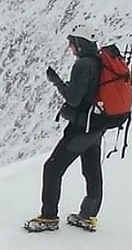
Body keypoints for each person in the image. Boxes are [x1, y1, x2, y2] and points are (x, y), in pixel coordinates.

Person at [24, 33, 103, 233]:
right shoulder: (98, 61)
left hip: (81, 128)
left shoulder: (82, 65)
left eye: (72, 43)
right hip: (96, 124)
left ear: (79, 43)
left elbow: (74, 99)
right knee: (91, 170)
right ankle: (88, 216)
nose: (70, 47)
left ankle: (49, 217)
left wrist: (57, 81)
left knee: (52, 168)